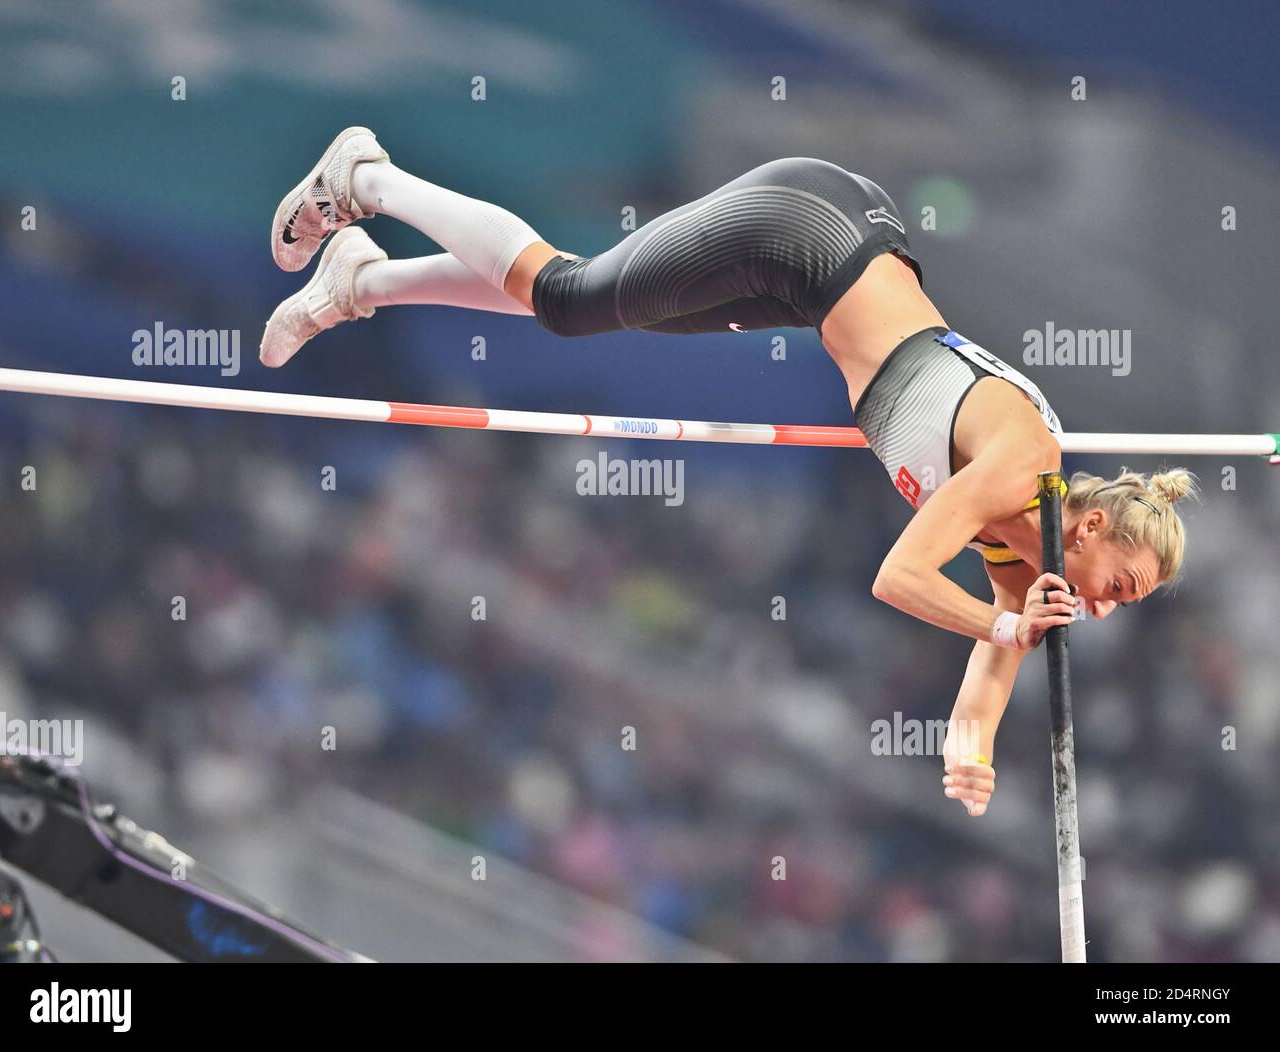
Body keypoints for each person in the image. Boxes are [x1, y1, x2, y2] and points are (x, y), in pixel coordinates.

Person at [261, 128, 1197, 816]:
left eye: (1125, 605)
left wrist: (970, 748)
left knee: (588, 296)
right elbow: (901, 578)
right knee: (568, 296)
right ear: (1087, 529)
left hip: (814, 272)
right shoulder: (1022, 470)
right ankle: (368, 177)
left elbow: (994, 662)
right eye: (1117, 586)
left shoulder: (1021, 540)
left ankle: (359, 283)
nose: (1106, 609)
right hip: (810, 231)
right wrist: (1005, 620)